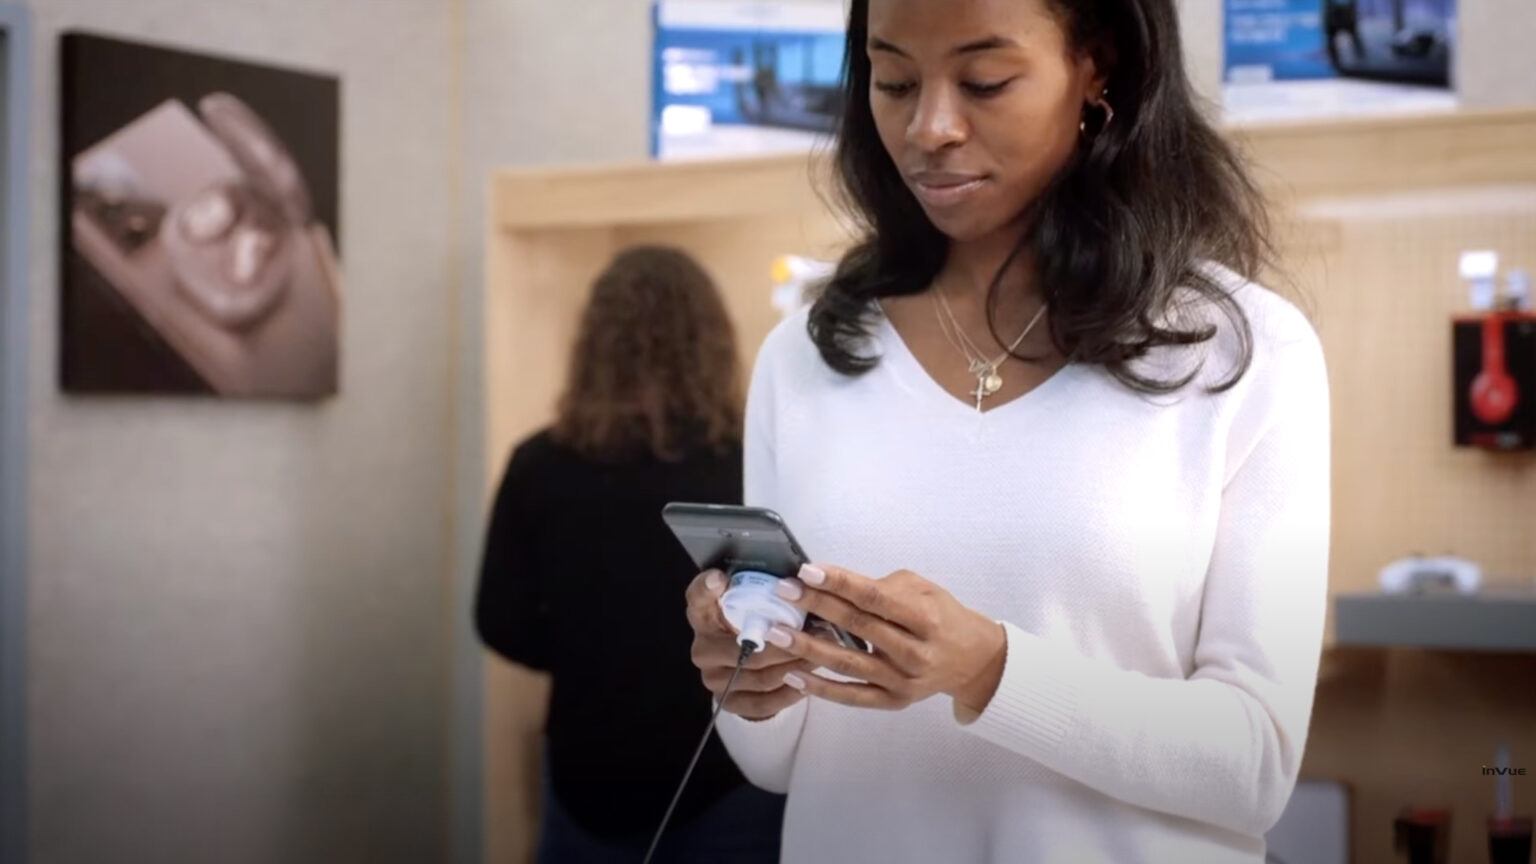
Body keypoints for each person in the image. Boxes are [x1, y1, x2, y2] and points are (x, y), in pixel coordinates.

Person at [683, 1, 1330, 863]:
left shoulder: (1241, 350)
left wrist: (989, 670)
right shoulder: (804, 356)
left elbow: (1256, 765)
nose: (930, 128)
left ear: (1096, 66)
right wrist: (749, 671)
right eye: (894, 81)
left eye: (984, 81)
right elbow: (778, 764)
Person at [477, 246, 785, 863]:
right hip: (725, 774)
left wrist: (590, 651)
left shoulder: (538, 465)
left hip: (588, 770)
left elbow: (501, 623)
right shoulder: (750, 464)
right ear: (712, 342)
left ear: (593, 345)